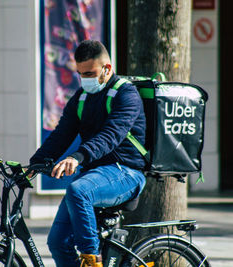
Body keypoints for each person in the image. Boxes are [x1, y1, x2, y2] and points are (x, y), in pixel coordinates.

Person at [29, 40, 146, 266]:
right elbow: (62, 133)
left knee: (78, 190)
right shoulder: (82, 97)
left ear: (107, 69)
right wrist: (34, 165)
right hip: (97, 175)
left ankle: (92, 260)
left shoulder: (126, 95)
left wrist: (77, 156)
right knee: (58, 243)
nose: (85, 79)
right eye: (81, 74)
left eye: (90, 73)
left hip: (127, 173)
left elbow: (110, 135)